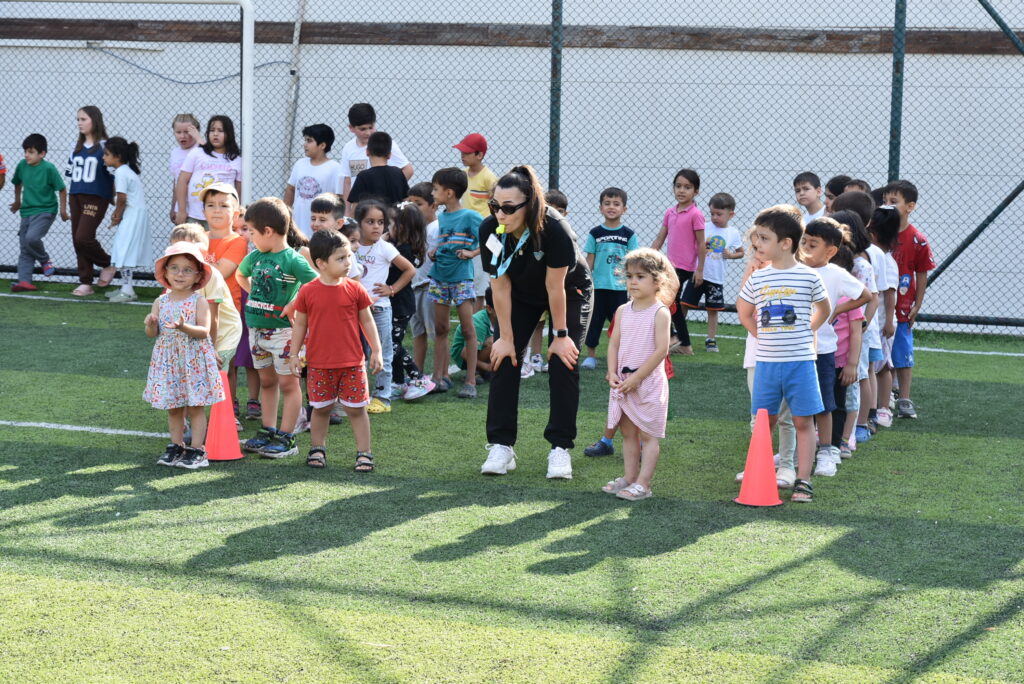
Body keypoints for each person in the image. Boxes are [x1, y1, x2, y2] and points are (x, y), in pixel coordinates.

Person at [478, 165, 593, 480]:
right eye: (495, 206)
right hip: (520, 293)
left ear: (528, 205)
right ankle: (501, 445)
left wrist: (560, 335)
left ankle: (559, 448)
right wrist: (504, 337)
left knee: (562, 360)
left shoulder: (555, 229)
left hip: (568, 291)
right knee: (505, 355)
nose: (500, 214)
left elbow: (555, 288)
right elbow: (499, 286)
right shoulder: (490, 230)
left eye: (508, 208)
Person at [737, 205, 830, 503]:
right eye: (756, 239)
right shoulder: (758, 277)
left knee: (803, 422)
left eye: (763, 239)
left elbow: (824, 310)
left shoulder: (808, 276)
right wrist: (761, 336)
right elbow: (744, 312)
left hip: (801, 363)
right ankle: (761, 474)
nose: (757, 245)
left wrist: (806, 331)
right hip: (766, 364)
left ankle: (803, 480)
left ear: (785, 243)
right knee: (764, 420)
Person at [290, 230, 383, 471]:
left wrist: (377, 351)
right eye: (340, 258)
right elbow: (300, 324)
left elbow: (368, 321)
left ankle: (364, 453)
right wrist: (293, 354)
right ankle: (317, 449)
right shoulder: (308, 291)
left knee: (357, 409)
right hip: (319, 364)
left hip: (352, 363)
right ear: (321, 263)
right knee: (320, 409)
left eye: (349, 257)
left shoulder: (355, 289)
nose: (347, 263)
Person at [236, 197, 319, 458]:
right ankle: (268, 430)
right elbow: (240, 275)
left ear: (268, 231)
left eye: (251, 231)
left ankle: (287, 437)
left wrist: (294, 303)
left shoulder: (293, 259)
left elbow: (315, 284)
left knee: (288, 384)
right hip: (257, 330)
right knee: (267, 381)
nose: (249, 237)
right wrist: (256, 297)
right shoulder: (256, 257)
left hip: (284, 333)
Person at [600, 248, 676, 501]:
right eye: (630, 276)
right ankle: (629, 477)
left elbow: (661, 351)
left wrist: (637, 378)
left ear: (657, 281)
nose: (633, 281)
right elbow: (613, 343)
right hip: (623, 383)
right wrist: (612, 372)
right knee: (628, 433)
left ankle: (644, 484)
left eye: (640, 276)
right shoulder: (623, 310)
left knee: (648, 435)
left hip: (648, 384)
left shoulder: (660, 312)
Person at [799, 217, 871, 477]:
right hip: (794, 349)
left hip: (823, 351)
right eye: (803, 241)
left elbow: (866, 295)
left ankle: (827, 452)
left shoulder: (836, 274)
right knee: (795, 404)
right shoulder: (795, 269)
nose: (805, 247)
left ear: (830, 251)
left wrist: (837, 308)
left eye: (813, 244)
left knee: (825, 405)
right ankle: (796, 451)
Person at [144, 241, 224, 470]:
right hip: (168, 361)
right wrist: (150, 323)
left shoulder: (198, 300)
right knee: (174, 407)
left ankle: (198, 449)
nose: (180, 274)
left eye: (187, 270)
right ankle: (176, 445)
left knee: (196, 406)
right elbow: (152, 334)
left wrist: (183, 326)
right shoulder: (160, 301)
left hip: (193, 361)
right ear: (165, 273)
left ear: (198, 275)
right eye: (174, 268)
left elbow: (204, 331)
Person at [353, 199, 416, 413]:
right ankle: (358, 394)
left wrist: (392, 289)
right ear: (359, 223)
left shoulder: (385, 248)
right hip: (353, 310)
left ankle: (383, 397)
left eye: (380, 222)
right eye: (370, 221)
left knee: (383, 353)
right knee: (357, 353)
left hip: (380, 309)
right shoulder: (350, 246)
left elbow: (410, 270)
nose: (376, 226)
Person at [428, 168, 482, 398]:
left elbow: (493, 238)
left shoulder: (469, 216)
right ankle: (438, 378)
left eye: (436, 189)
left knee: (468, 330)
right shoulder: (441, 216)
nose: (433, 193)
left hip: (461, 279)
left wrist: (472, 253)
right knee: (441, 329)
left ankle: (470, 381)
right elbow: (446, 241)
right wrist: (434, 250)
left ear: (449, 193)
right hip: (439, 276)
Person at [884, 179, 935, 419]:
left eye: (894, 202)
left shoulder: (918, 240)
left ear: (910, 206)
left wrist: (918, 303)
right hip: (879, 304)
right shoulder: (878, 235)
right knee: (879, 353)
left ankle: (904, 398)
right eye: (885, 201)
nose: (887, 205)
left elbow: (922, 272)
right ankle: (883, 398)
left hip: (902, 307)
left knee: (902, 353)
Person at [829, 209, 879, 452]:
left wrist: (861, 325)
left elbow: (872, 298)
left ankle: (851, 432)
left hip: (853, 340)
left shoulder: (859, 265)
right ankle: (830, 433)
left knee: (855, 382)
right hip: (833, 346)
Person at [168, 223, 243, 373]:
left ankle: (227, 397)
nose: (180, 255)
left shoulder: (211, 276)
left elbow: (213, 317)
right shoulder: (176, 276)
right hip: (200, 333)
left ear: (202, 251)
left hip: (223, 334)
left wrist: (210, 349)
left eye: (186, 250)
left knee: (216, 373)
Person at [581, 187, 637, 369]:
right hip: (597, 288)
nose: (611, 207)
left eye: (616, 204)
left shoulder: (629, 234)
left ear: (624, 209)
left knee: (621, 325)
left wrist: (632, 284)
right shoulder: (595, 233)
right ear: (600, 208)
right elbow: (589, 260)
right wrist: (584, 281)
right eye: (607, 203)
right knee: (594, 322)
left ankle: (621, 357)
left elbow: (633, 262)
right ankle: (591, 356)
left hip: (620, 289)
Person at [651, 168, 704, 355]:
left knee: (669, 301)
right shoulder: (670, 212)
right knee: (667, 301)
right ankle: (678, 340)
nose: (682, 191)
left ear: (695, 191)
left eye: (687, 187)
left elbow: (700, 244)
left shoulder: (696, 214)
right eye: (678, 186)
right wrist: (648, 255)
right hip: (668, 266)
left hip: (684, 267)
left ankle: (682, 343)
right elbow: (660, 238)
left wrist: (700, 270)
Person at [387, 201, 435, 399]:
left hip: (400, 303)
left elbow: (406, 272)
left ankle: (418, 378)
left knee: (392, 344)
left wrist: (391, 289)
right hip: (397, 302)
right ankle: (398, 382)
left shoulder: (402, 251)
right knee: (394, 341)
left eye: (390, 225)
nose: (387, 228)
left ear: (402, 228)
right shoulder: (403, 247)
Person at [67, 105, 115, 296]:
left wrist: (117, 200)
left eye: (83, 119)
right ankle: (85, 282)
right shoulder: (76, 147)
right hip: (75, 195)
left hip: (96, 197)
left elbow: (114, 174)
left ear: (95, 120)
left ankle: (107, 264)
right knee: (77, 240)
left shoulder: (105, 146)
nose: (79, 123)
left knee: (83, 236)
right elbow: (70, 173)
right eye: (78, 119)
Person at [9, 133, 67, 292]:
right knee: (25, 246)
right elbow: (17, 183)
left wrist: (63, 211)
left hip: (46, 210)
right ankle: (25, 281)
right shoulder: (22, 165)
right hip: (27, 211)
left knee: (31, 238)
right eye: (25, 151)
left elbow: (62, 189)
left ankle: (45, 260)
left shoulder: (49, 169)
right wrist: (17, 201)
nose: (26, 155)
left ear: (42, 154)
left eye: (31, 151)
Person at [689, 192, 743, 352]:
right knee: (685, 303)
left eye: (719, 214)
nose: (714, 217)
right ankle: (678, 334)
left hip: (716, 278)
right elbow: (694, 246)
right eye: (712, 213)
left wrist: (731, 255)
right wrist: (701, 249)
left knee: (713, 309)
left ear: (731, 214)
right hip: (699, 274)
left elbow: (741, 252)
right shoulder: (704, 227)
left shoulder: (733, 233)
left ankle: (711, 339)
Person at [827, 242, 866, 460]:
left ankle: (836, 444)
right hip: (816, 358)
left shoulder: (851, 299)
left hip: (840, 363)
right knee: (818, 403)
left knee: (838, 404)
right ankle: (820, 440)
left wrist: (852, 364)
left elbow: (856, 333)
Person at [102, 137, 151, 303]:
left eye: (106, 154)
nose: (103, 157)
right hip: (133, 214)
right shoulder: (124, 171)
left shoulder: (122, 172)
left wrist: (116, 215)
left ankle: (128, 290)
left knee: (125, 251)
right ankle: (126, 287)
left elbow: (121, 198)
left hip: (133, 215)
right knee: (122, 250)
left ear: (118, 156)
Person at [454, 132, 498, 312]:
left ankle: (477, 327)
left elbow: (496, 208)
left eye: (466, 152)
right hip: (464, 236)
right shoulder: (462, 176)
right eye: (461, 152)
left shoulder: (489, 178)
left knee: (479, 287)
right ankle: (469, 327)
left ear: (479, 155)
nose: (462, 156)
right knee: (467, 283)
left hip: (482, 236)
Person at [339, 103, 413, 203]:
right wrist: (347, 211)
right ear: (351, 128)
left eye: (371, 127)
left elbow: (408, 169)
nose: (368, 133)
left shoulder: (385, 143)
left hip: (384, 206)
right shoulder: (348, 148)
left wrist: (390, 189)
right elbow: (347, 181)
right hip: (361, 206)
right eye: (363, 129)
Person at [175, 115, 242, 225]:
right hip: (194, 215)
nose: (215, 134)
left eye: (220, 130)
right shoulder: (197, 153)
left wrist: (237, 212)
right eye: (212, 130)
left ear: (229, 134)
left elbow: (238, 190)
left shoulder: (236, 160)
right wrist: (182, 211)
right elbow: (182, 180)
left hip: (222, 218)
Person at [405, 183, 441, 377]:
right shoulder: (413, 229)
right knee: (418, 333)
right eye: (409, 203)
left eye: (418, 204)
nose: (413, 208)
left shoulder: (437, 227)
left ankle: (440, 374)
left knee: (436, 333)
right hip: (414, 287)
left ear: (433, 206)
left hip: (430, 286)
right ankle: (417, 373)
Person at [284, 123, 342, 234]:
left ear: (322, 145)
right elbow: (290, 189)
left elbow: (339, 199)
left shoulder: (335, 168)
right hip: (298, 226)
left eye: (309, 141)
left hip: (321, 230)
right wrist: (286, 213)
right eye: (305, 140)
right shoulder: (300, 164)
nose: (305, 145)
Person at [346, 131, 409, 210]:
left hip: (373, 220)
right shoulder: (398, 173)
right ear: (389, 155)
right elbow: (406, 201)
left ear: (367, 152)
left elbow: (355, 208)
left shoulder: (363, 176)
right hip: (396, 220)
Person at [451, 288, 496, 376]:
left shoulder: (499, 318)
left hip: (477, 352)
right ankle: (478, 370)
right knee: (493, 341)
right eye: (500, 307)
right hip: (464, 358)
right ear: (489, 309)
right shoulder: (479, 324)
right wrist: (487, 367)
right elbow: (465, 354)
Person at [169, 114, 203, 224]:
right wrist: (174, 207)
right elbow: (176, 182)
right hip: (182, 208)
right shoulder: (175, 153)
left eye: (187, 132)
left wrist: (200, 140)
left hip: (199, 209)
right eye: (178, 132)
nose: (182, 136)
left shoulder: (202, 149)